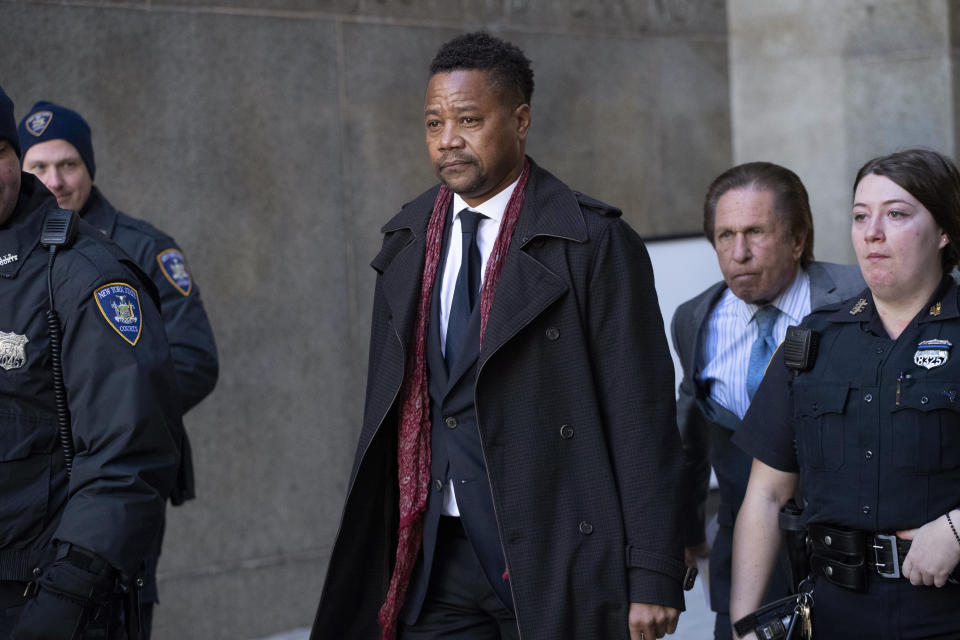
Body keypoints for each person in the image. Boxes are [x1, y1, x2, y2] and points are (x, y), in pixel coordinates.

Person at [312, 31, 687, 640]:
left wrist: (652, 572)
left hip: (552, 548)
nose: (447, 140)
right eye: (433, 123)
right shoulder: (406, 242)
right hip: (433, 553)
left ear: (520, 120)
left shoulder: (592, 242)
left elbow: (641, 412)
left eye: (468, 119)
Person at [729, 148, 960, 639]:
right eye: (860, 216)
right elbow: (767, 495)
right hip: (834, 614)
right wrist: (744, 624)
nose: (871, 232)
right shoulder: (813, 339)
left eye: (896, 214)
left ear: (944, 231)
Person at [17, 100, 219, 637]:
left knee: (115, 609)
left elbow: (195, 361)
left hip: (119, 477)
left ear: (90, 169)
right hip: (28, 492)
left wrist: (100, 407)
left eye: (69, 165)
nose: (55, 180)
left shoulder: (140, 248)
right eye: (39, 167)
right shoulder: (15, 255)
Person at [671, 162, 863, 638]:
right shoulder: (694, 319)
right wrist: (686, 529)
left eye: (756, 232)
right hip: (743, 553)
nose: (739, 253)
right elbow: (691, 438)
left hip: (849, 557)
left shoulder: (859, 298)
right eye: (724, 236)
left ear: (798, 240)